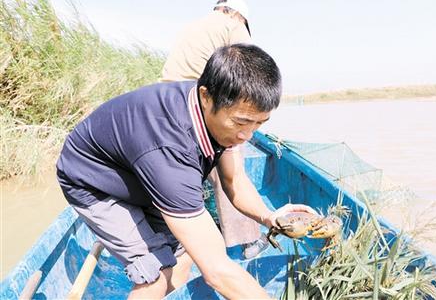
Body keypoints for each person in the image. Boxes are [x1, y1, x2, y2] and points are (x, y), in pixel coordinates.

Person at [56, 44, 317, 299]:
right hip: (94, 182)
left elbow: (234, 179)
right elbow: (217, 271)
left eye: (259, 123)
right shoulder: (171, 149)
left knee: (183, 255)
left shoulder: (218, 115)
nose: (247, 135)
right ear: (206, 96)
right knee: (155, 274)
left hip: (142, 172)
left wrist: (269, 217)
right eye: (242, 122)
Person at [160, 0, 268, 259]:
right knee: (230, 174)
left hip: (167, 104)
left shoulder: (195, 25)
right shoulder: (233, 25)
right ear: (238, 15)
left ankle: (180, 236)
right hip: (202, 106)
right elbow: (250, 71)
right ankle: (248, 240)